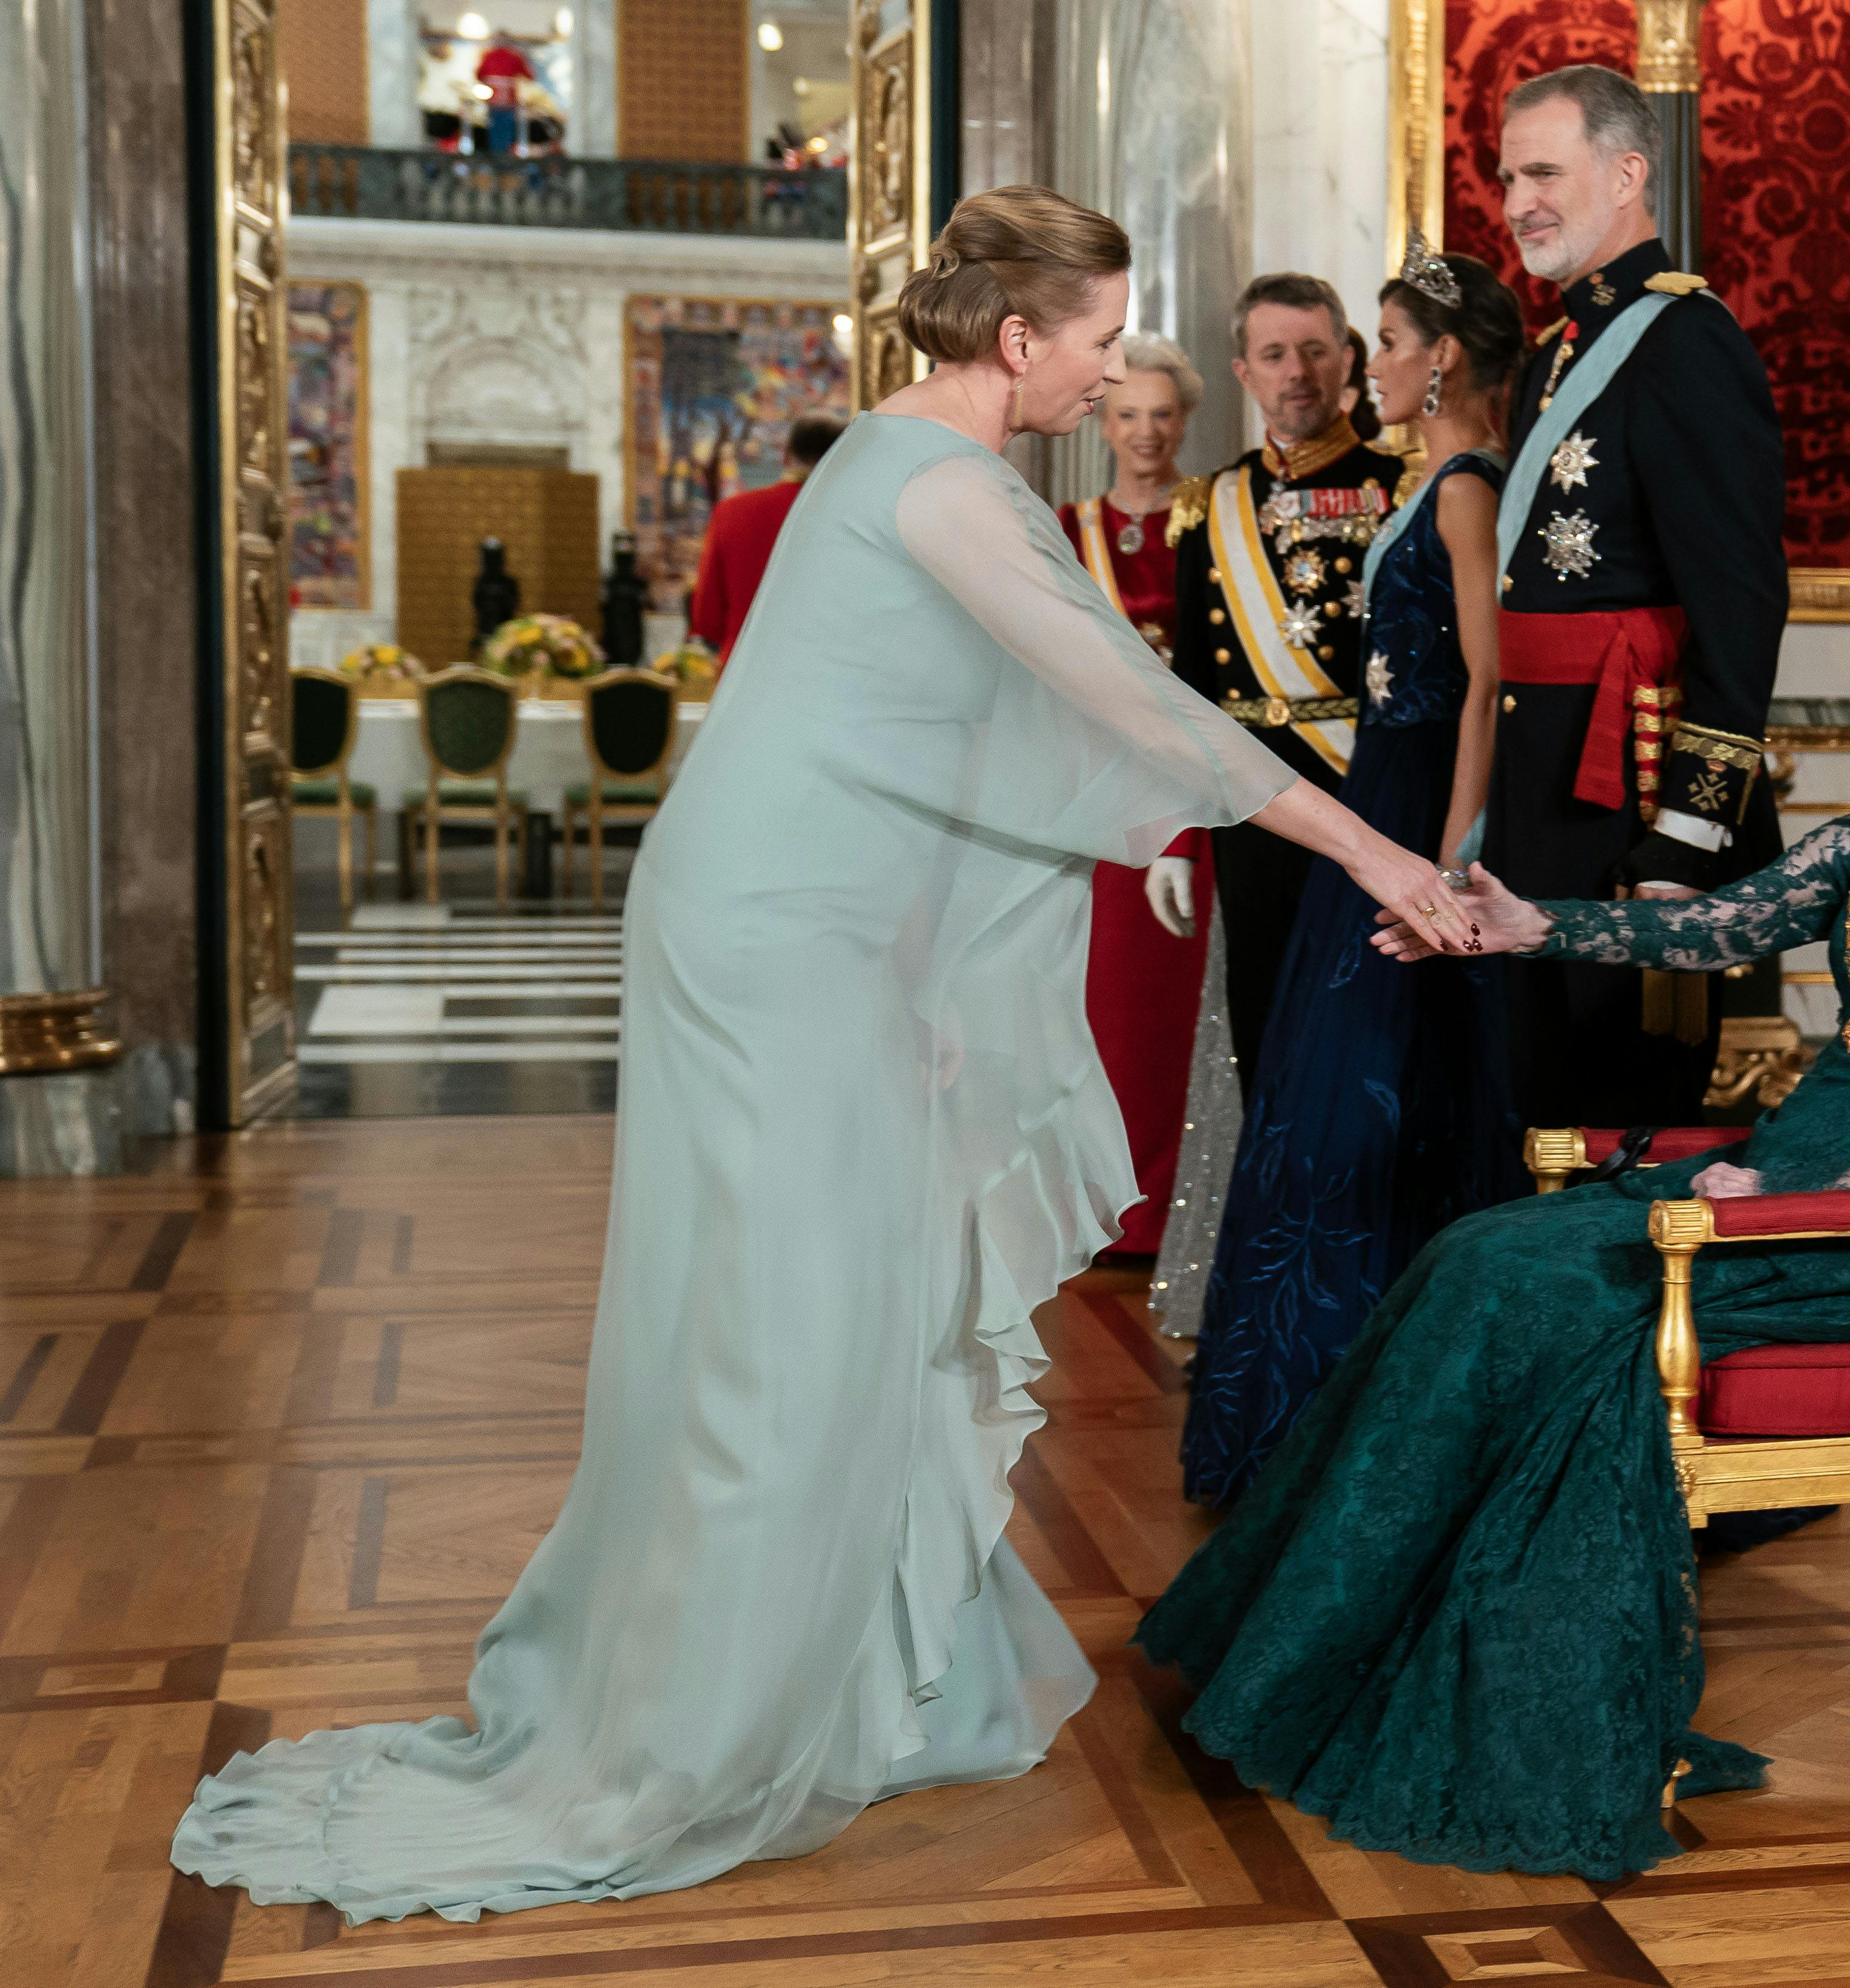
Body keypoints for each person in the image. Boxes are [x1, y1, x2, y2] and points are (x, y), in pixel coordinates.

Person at [170, 185, 1476, 1925]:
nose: (1109, 373)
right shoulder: (941, 486)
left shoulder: (901, 465)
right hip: (773, 932)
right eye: (1097, 341)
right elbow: (1127, 699)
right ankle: (699, 1713)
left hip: (815, 922)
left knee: (841, 1288)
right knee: (783, 1313)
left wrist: (935, 981)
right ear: (1019, 340)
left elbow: (919, 735)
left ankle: (860, 1666)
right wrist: (1384, 856)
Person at [1139, 574, 1850, 1879]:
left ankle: (1509, 1708)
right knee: (1475, 1253)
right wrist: (1518, 926)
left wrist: (1784, 1201)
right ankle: (1319, 1647)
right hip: (1763, 1193)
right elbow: (1714, 925)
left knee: (1547, 1298)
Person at [1180, 241, 1520, 1505]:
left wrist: (1454, 854)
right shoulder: (1418, 482)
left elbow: (1491, 679)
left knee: (1379, 1105)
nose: (1354, 366)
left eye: (1377, 341)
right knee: (1315, 1107)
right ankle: (1317, 1402)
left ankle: (1385, 1400)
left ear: (1437, 359)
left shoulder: (1460, 485)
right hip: (1362, 795)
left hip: (1412, 803)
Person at [1489, 65, 1788, 1130]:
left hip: (1632, 803)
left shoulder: (1685, 345)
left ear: (1625, 173)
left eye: (1542, 172)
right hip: (1542, 791)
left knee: (1618, 1113)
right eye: (1507, 174)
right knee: (1541, 1099)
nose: (1517, 200)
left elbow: (1741, 606)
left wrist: (1689, 835)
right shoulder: (1555, 350)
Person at [1160, 274, 1413, 1095]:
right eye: (1274, 354)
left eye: (1313, 350)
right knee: (1265, 1034)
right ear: (1243, 371)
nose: (1296, 371)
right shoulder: (1209, 505)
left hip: (1367, 793)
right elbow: (1190, 690)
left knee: (1372, 1033)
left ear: (1348, 358)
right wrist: (1173, 835)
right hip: (1253, 810)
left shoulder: (1399, 488)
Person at [1058, 334, 1210, 1255]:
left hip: (1203, 791)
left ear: (1184, 420)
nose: (1146, 433)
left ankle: (1187, 1210)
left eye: (1162, 415)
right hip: (1109, 794)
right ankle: (1115, 1208)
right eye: (1128, 416)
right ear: (1103, 424)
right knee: (1110, 1005)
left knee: (1190, 1009)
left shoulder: (1217, 513)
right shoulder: (1070, 528)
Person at [687, 412, 848, 657]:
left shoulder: (731, 513)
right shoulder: (853, 519)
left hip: (744, 675)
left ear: (785, 456)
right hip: (828, 674)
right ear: (843, 459)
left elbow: (707, 621)